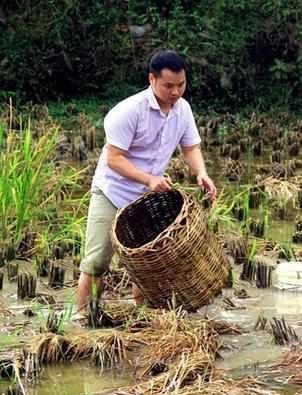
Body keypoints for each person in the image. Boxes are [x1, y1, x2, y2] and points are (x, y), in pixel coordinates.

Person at [75, 50, 217, 314]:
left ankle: (144, 321)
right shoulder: (129, 111)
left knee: (150, 265)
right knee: (96, 263)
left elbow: (191, 148)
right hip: (113, 192)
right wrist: (149, 179)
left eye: (181, 85)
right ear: (152, 79)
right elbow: (114, 159)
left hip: (147, 198)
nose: (176, 92)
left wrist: (201, 173)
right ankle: (84, 321)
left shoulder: (183, 110)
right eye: (168, 86)